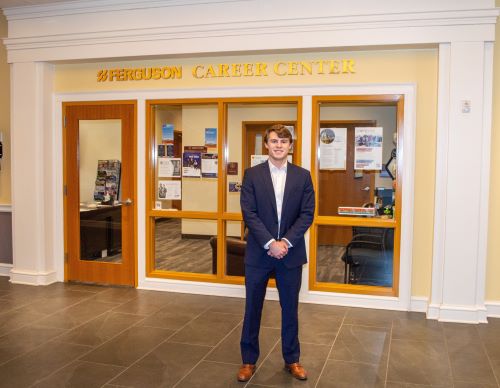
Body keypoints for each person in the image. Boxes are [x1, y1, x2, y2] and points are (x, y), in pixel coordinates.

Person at [237, 124, 315, 382]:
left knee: (290, 308)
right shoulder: (252, 175)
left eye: (283, 141)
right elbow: (249, 213)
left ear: (290, 146)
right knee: (252, 308)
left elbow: (307, 214)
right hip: (259, 254)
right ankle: (248, 361)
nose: (278, 145)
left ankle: (292, 359)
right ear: (266, 145)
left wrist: (285, 243)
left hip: (290, 255)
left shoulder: (303, 176)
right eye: (274, 141)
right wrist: (270, 242)